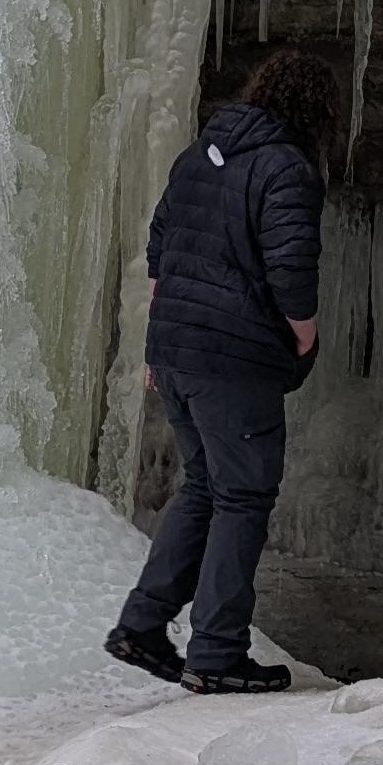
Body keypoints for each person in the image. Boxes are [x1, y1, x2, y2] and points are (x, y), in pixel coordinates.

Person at [106, 44, 339, 699]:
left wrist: (165, 344)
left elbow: (159, 254)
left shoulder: (197, 159)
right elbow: (290, 265)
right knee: (241, 497)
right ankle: (216, 651)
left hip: (178, 353)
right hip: (232, 362)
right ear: (314, 110)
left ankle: (143, 626)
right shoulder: (285, 169)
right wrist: (303, 334)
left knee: (207, 485)